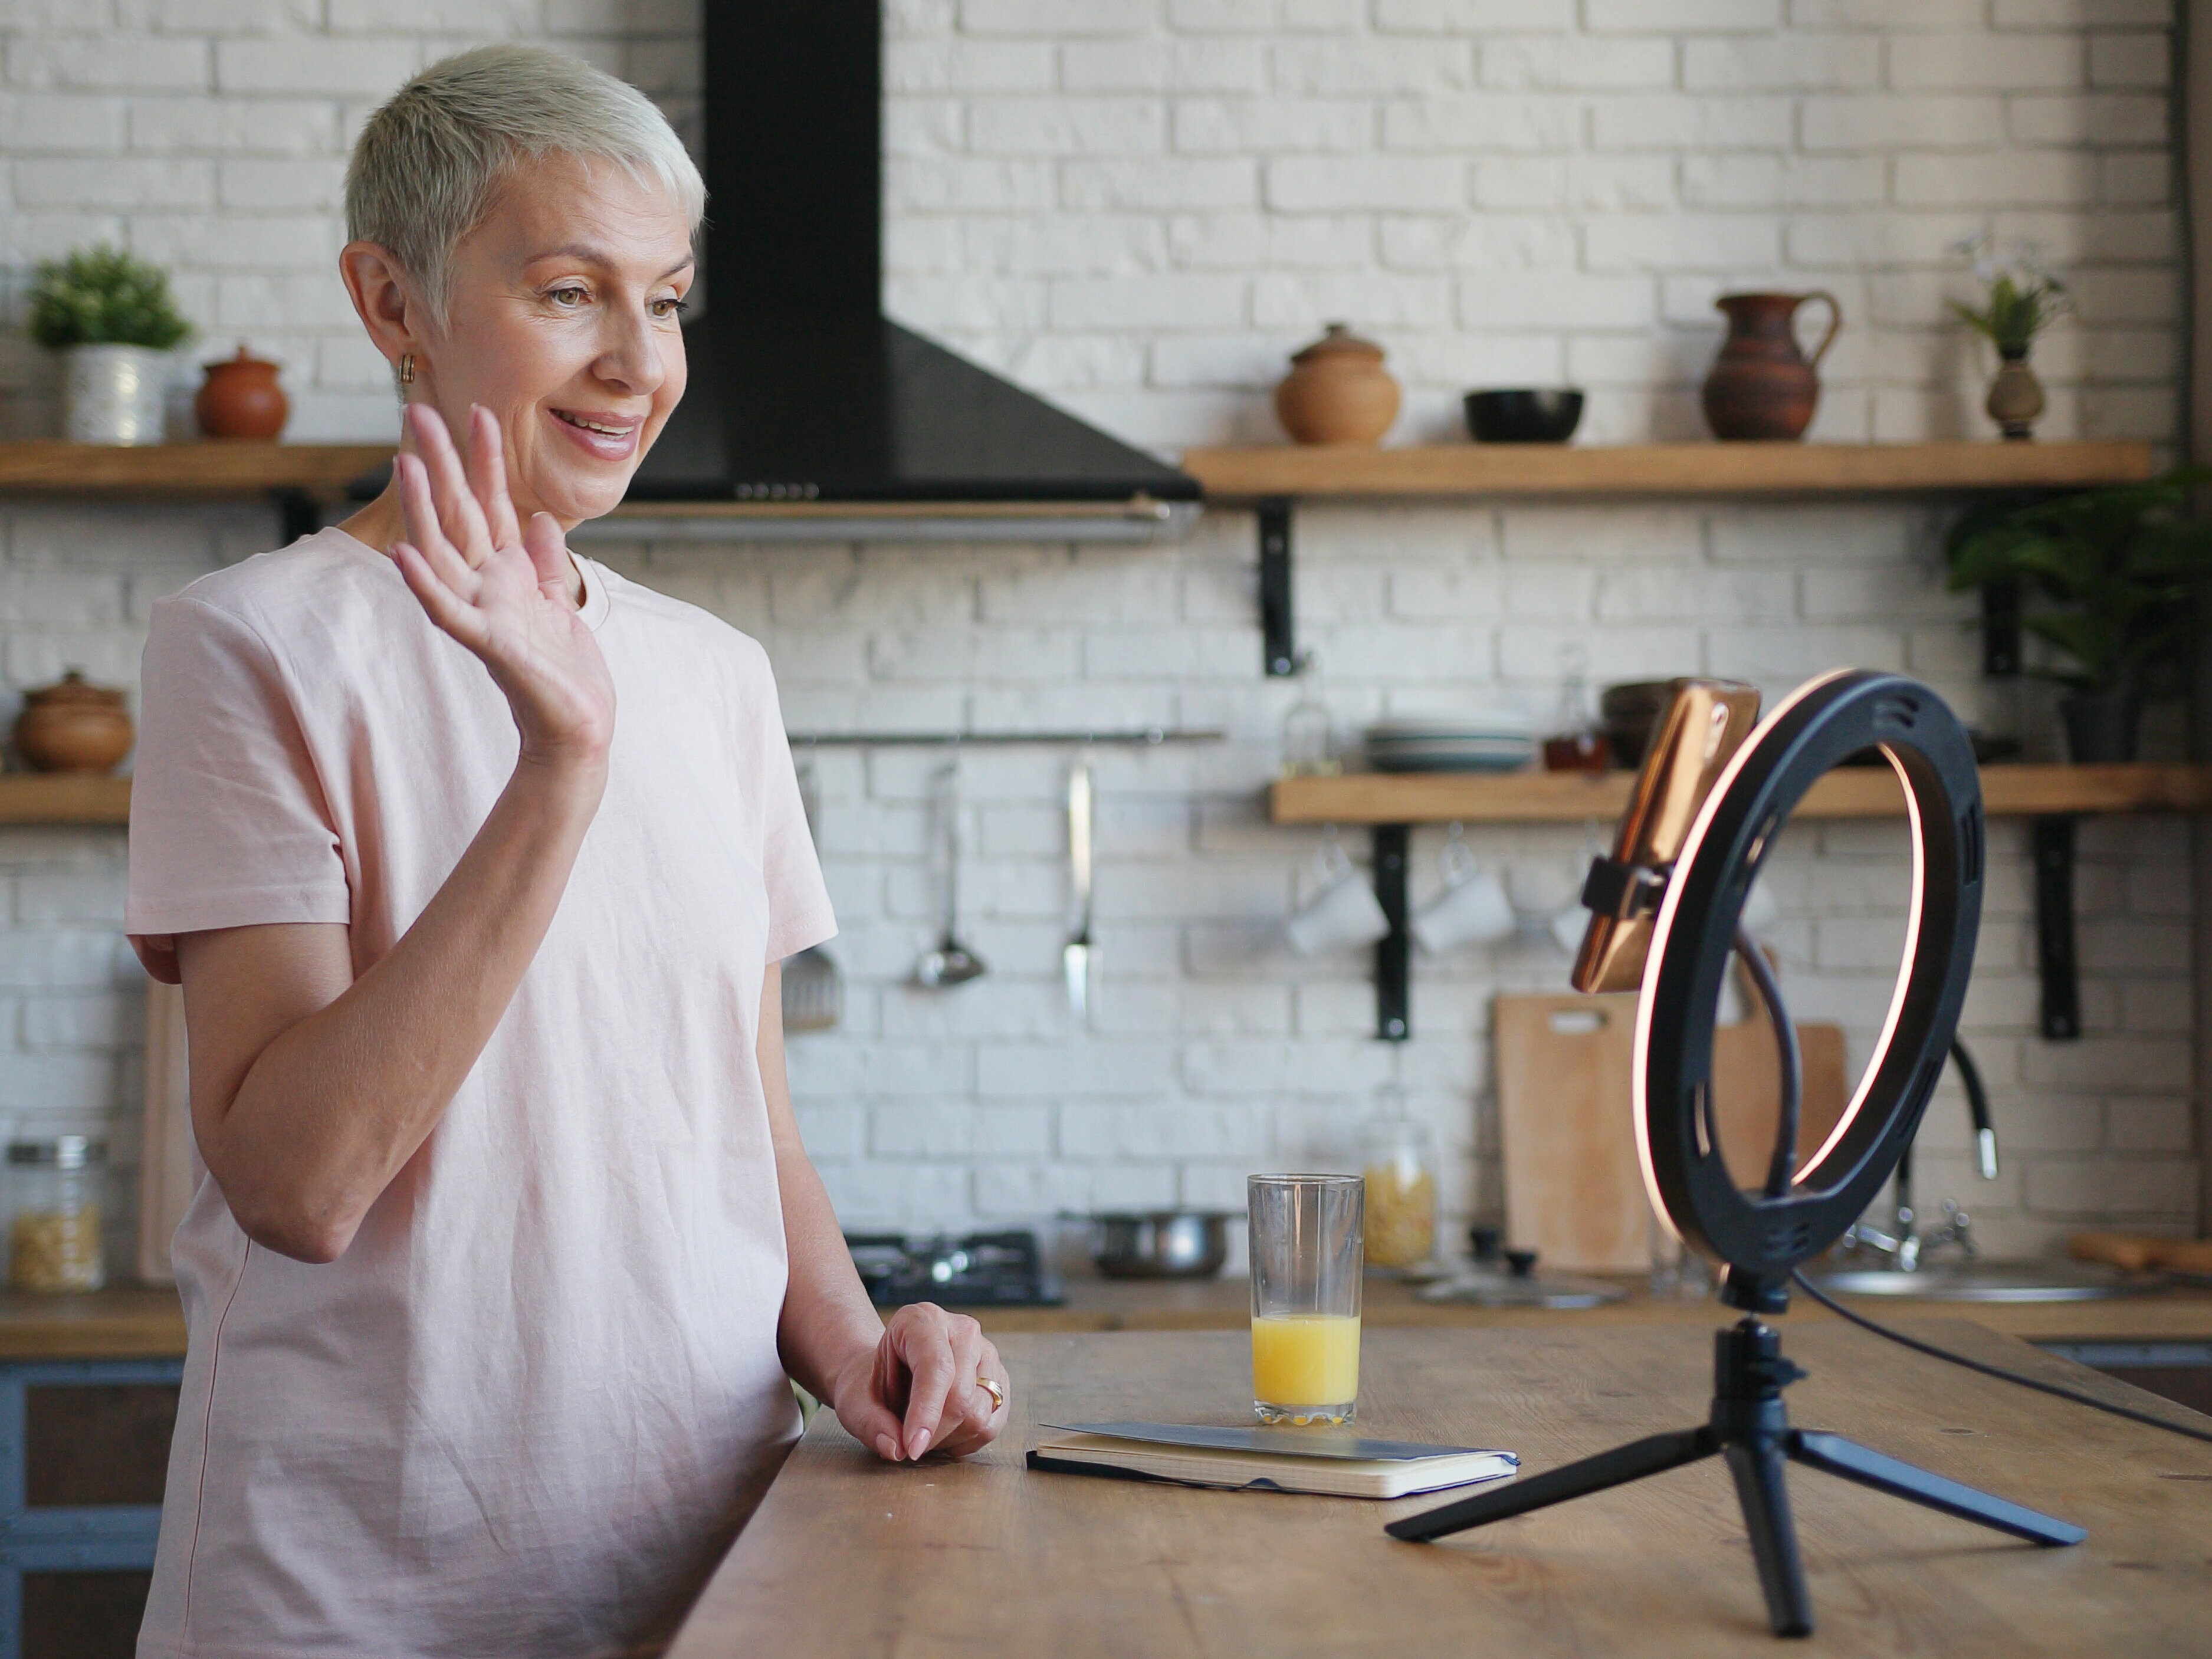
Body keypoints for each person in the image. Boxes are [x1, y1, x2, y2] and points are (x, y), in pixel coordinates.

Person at [124, 44, 1006, 1658]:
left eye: (664, 300)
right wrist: (561, 764)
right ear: (390, 302)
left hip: (708, 1571)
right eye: (568, 293)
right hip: (358, 1593)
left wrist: (868, 1344)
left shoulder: (717, 676)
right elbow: (298, 1186)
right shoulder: (248, 648)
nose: (636, 364)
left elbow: (755, 1141)